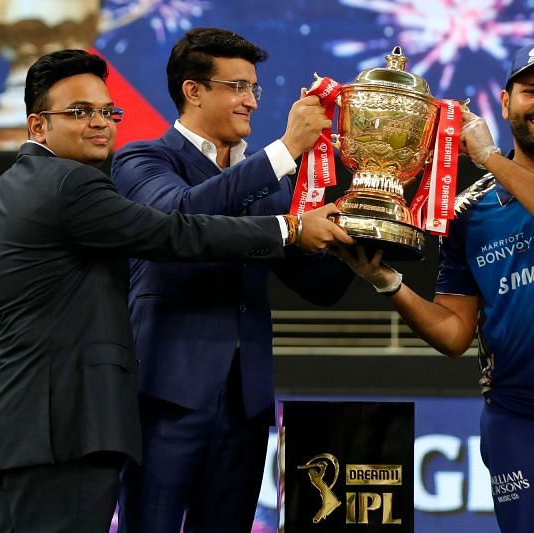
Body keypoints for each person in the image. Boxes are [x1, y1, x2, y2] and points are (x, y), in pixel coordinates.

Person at [0, 49, 352, 533]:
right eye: (80, 112)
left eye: (108, 112)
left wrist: (361, 232)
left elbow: (313, 280)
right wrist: (289, 213)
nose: (100, 123)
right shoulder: (101, 174)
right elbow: (177, 228)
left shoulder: (24, 186)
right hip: (98, 415)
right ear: (37, 126)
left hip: (232, 403)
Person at [335, 40, 534, 532]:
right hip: (518, 425)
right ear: (506, 103)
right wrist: (387, 281)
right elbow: (453, 334)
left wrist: (490, 158)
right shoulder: (468, 212)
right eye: (532, 91)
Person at [110, 28, 355, 532]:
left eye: (254, 89)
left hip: (244, 405)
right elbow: (179, 220)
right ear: (193, 91)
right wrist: (285, 150)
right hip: (166, 396)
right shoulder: (143, 160)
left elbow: (321, 286)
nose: (250, 101)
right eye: (237, 87)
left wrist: (365, 233)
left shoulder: (266, 186)